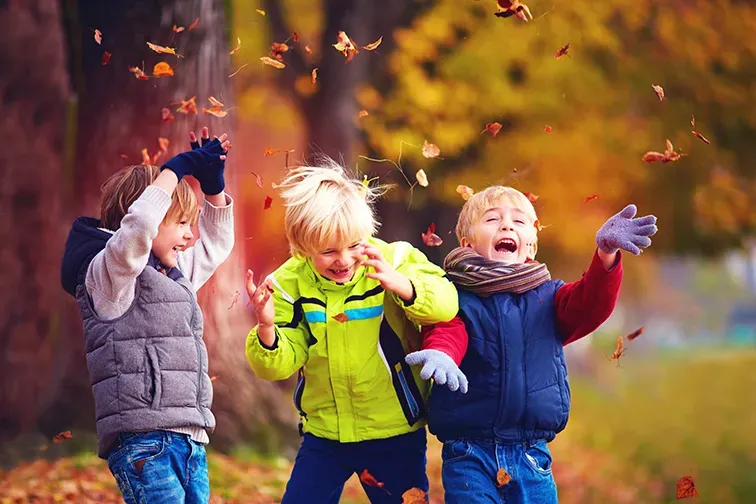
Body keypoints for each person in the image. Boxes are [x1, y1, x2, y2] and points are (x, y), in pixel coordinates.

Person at [405, 186, 658, 503]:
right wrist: (442, 356)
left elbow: (590, 304)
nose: (507, 226)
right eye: (492, 219)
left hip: (531, 454)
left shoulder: (549, 297)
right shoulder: (454, 295)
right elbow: (448, 330)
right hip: (469, 451)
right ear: (467, 243)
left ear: (532, 246)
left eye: (519, 221)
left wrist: (605, 254)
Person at [244, 159, 460, 503]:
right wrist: (267, 327)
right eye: (328, 251)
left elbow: (446, 303)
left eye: (354, 245)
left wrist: (401, 285)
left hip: (393, 431)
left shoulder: (395, 258)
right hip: (326, 434)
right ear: (303, 247)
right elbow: (275, 366)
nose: (343, 260)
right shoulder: (288, 284)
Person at [60, 128, 234, 504]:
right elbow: (137, 231)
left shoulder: (171, 273)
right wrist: (172, 172)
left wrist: (213, 187)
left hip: (190, 437)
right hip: (144, 442)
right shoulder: (108, 276)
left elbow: (217, 244)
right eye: (182, 223)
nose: (191, 236)